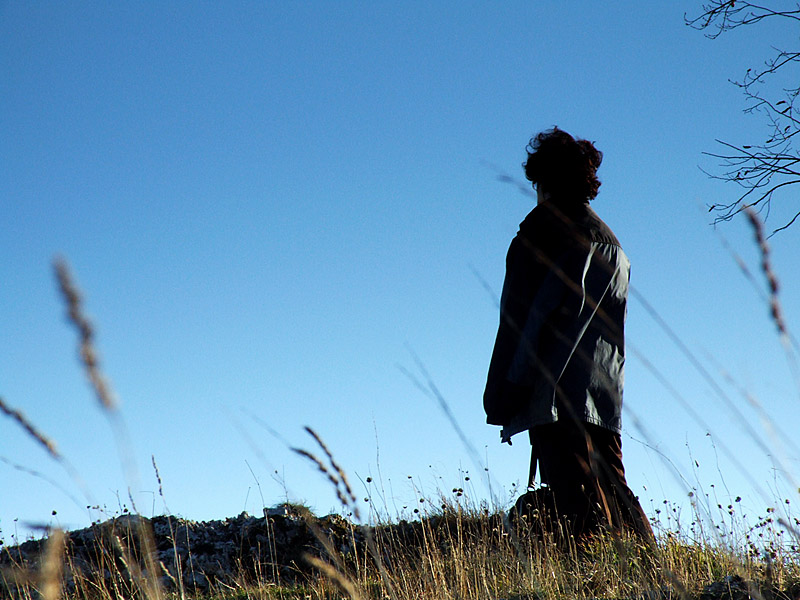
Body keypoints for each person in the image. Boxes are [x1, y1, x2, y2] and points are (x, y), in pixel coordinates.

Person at [483, 127, 654, 544]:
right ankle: (652, 572)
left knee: (576, 503)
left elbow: (519, 319)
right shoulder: (613, 243)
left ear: (543, 181)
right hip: (603, 391)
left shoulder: (539, 233)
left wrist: (502, 393)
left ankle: (592, 580)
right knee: (613, 489)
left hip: (553, 389)